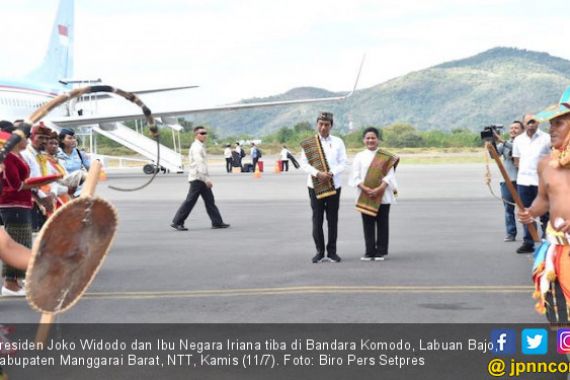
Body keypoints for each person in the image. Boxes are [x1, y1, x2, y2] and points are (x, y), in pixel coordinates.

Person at [518, 97, 570, 323]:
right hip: (556, 248)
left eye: (559, 123)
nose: (552, 128)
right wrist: (530, 212)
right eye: (551, 124)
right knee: (560, 315)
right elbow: (544, 200)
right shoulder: (545, 164)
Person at [300, 112, 347, 263]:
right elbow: (304, 163)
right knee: (317, 219)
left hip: (334, 185)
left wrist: (331, 173)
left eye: (326, 124)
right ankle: (320, 251)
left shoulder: (338, 142)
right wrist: (318, 173)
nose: (323, 127)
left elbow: (343, 162)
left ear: (331, 126)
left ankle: (332, 251)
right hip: (315, 186)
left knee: (332, 220)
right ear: (317, 125)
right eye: (321, 124)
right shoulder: (309, 143)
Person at [350, 127, 398, 261]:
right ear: (363, 140)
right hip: (365, 195)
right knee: (368, 223)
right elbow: (355, 176)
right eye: (368, 138)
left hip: (382, 194)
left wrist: (379, 189)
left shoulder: (386, 156)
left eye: (373, 138)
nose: (370, 140)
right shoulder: (359, 156)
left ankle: (380, 251)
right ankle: (369, 251)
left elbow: (390, 176)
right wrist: (365, 188)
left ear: (378, 140)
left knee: (382, 223)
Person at [0, 131, 38, 296]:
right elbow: (16, 184)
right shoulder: (8, 157)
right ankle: (10, 283)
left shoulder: (17, 156)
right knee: (16, 240)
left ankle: (15, 281)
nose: (28, 139)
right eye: (26, 136)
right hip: (12, 203)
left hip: (21, 203)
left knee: (20, 241)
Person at [171, 126, 230, 231]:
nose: (204, 135)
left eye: (205, 133)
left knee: (210, 201)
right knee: (190, 201)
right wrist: (206, 180)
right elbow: (199, 164)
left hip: (201, 177)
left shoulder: (200, 146)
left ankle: (217, 222)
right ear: (196, 135)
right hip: (198, 178)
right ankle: (177, 222)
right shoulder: (196, 147)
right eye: (201, 133)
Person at [512, 114, 551, 253]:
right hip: (523, 181)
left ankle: (548, 240)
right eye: (528, 122)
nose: (531, 124)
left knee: (545, 212)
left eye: (533, 121)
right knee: (526, 212)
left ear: (538, 123)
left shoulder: (546, 138)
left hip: (541, 181)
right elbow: (516, 160)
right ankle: (528, 241)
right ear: (524, 123)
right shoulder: (518, 140)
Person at [493, 121, 524, 242]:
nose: (513, 130)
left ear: (523, 130)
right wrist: (492, 143)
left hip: (521, 181)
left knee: (525, 208)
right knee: (508, 209)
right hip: (506, 181)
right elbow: (494, 155)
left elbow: (519, 150)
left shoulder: (525, 143)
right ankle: (511, 233)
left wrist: (502, 141)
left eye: (516, 128)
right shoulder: (506, 144)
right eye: (511, 128)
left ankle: (530, 233)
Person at [20, 123, 54, 231]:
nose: (44, 141)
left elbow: (50, 178)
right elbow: (28, 181)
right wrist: (43, 197)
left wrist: (53, 193)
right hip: (32, 202)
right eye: (41, 137)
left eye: (47, 138)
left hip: (45, 200)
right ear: (31, 137)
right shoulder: (25, 154)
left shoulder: (43, 156)